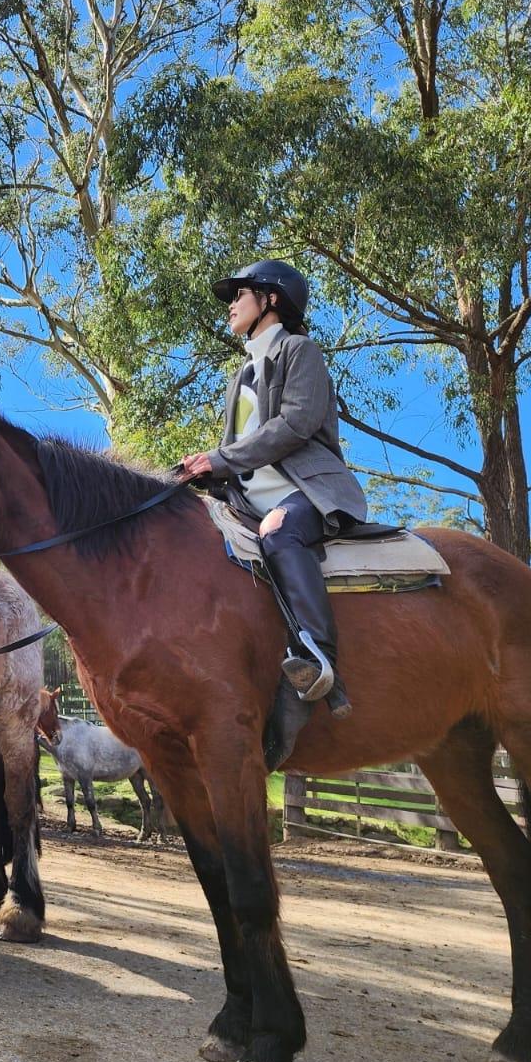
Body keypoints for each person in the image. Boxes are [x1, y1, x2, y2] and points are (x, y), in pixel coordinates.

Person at [177, 260, 367, 768]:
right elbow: (235, 450)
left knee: (278, 534)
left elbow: (295, 424)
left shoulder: (299, 350)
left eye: (240, 294)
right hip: (246, 499)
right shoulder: (239, 375)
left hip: (305, 492)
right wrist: (201, 473)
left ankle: (318, 660)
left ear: (272, 300)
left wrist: (218, 458)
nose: (232, 304)